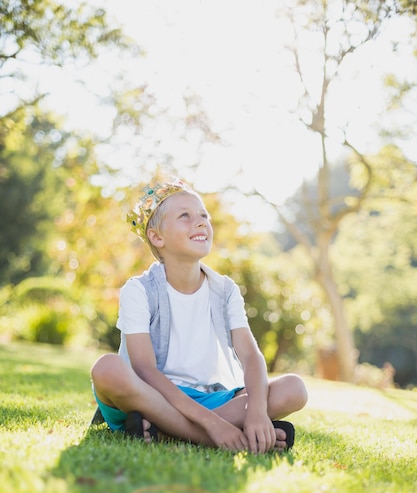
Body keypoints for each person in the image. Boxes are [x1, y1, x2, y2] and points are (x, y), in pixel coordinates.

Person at [90, 177, 308, 453]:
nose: (201, 221)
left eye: (204, 215)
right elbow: (144, 370)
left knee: (294, 389)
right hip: (152, 395)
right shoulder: (140, 290)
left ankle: (162, 430)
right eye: (185, 216)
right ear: (157, 237)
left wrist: (256, 411)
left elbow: (252, 357)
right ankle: (214, 437)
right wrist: (214, 426)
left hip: (211, 398)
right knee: (107, 369)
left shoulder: (225, 290)